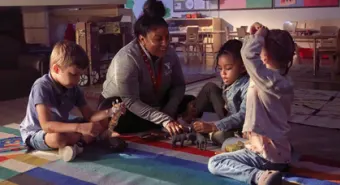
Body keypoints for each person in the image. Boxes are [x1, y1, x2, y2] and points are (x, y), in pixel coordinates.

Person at [208, 23, 295, 185]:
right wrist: (254, 36)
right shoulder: (285, 81)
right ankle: (274, 165)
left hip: (264, 155)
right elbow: (248, 54)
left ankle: (261, 176)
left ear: (265, 57)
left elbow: (247, 53)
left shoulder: (264, 79)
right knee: (229, 142)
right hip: (281, 152)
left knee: (215, 163)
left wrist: (258, 35)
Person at [20, 41, 124, 162]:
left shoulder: (74, 88)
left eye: (80, 75)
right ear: (56, 69)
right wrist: (79, 128)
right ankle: (86, 140)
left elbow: (89, 115)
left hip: (63, 124)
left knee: (101, 120)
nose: (78, 80)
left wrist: (111, 111)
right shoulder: (42, 87)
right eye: (74, 74)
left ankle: (76, 145)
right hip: (38, 132)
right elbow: (47, 126)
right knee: (58, 138)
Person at [101, 0, 186, 135]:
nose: (165, 43)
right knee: (118, 117)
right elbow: (131, 101)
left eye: (167, 37)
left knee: (190, 102)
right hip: (123, 105)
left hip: (154, 103)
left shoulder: (170, 53)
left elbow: (179, 85)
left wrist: (168, 111)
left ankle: (161, 122)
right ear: (142, 39)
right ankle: (165, 122)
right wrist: (164, 119)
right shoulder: (127, 58)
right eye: (158, 39)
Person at [191, 40, 249, 145]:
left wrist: (214, 126)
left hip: (239, 127)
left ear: (243, 67)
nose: (223, 73)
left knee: (221, 137)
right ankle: (188, 119)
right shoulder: (231, 81)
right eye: (220, 68)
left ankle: (209, 133)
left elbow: (243, 116)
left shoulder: (248, 86)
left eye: (228, 68)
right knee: (209, 87)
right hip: (227, 115)